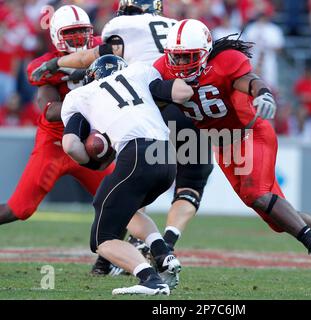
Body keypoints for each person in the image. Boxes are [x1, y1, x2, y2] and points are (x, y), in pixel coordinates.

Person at [153, 18, 311, 284]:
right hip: (222, 144)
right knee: (277, 220)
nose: (182, 66)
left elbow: (250, 81)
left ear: (205, 52)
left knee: (257, 193)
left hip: (252, 133)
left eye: (189, 57)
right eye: (177, 58)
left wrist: (263, 93)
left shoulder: (226, 61)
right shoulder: (162, 69)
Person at [31, 0, 214, 277]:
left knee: (114, 208)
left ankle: (116, 265)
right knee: (191, 182)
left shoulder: (115, 36)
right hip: (180, 118)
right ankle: (165, 248)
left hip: (139, 133)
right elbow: (182, 89)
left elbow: (93, 55)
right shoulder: (164, 41)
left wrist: (54, 63)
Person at [61, 54, 193, 295]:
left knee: (103, 238)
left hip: (136, 155)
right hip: (166, 154)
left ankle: (149, 278)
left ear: (92, 76)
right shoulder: (139, 71)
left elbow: (70, 145)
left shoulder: (80, 95)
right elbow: (179, 93)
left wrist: (94, 162)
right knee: (127, 209)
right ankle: (164, 255)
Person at [0, 5, 115, 226]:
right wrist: (88, 97)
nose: (78, 38)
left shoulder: (103, 47)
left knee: (120, 200)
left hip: (89, 141)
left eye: (82, 31)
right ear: (56, 36)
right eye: (70, 33)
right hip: (54, 143)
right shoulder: (45, 66)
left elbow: (115, 49)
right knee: (18, 210)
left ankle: (116, 257)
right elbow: (51, 112)